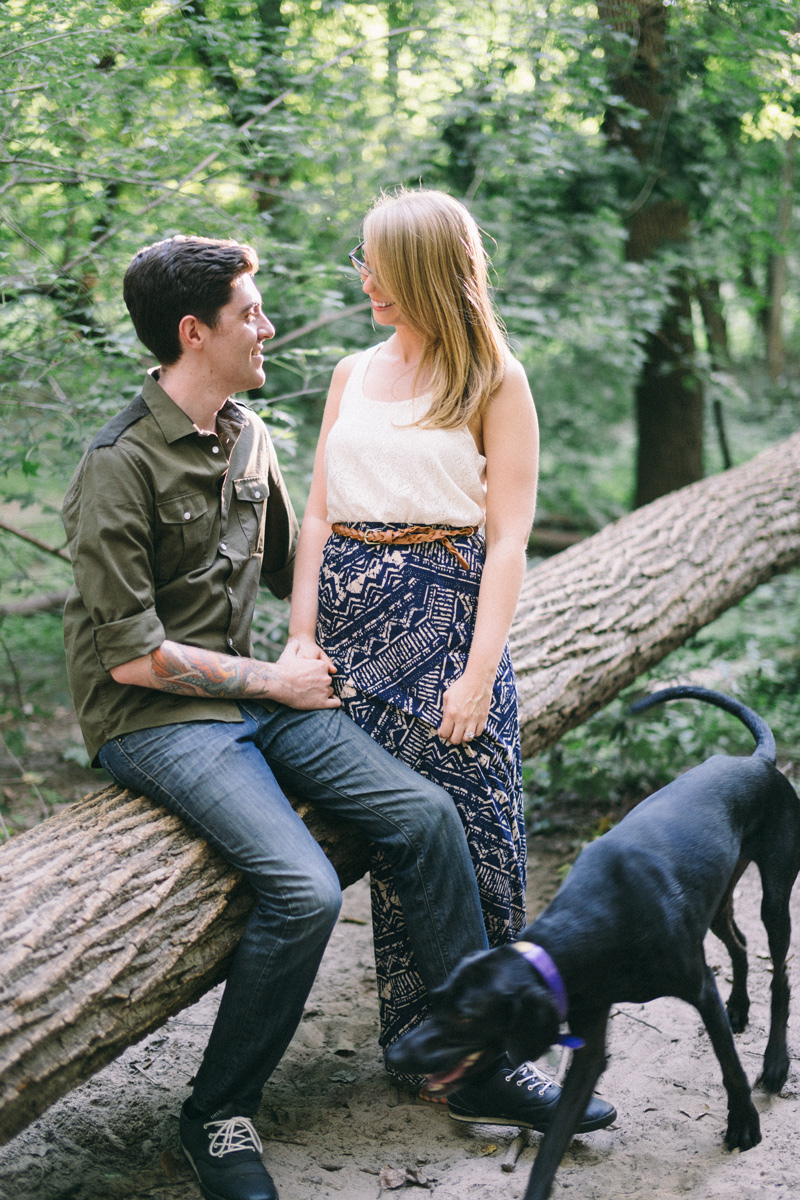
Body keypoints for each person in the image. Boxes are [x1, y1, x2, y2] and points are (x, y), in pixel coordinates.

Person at [62, 234, 612, 1200]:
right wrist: (278, 680)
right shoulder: (116, 464)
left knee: (425, 818)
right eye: (251, 314)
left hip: (260, 694)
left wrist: (405, 612)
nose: (269, 326)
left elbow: (304, 551)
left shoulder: (247, 434)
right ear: (196, 333)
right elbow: (130, 658)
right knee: (305, 890)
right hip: (156, 719)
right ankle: (218, 1114)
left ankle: (464, 1055)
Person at [288, 190, 615, 1129]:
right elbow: (316, 514)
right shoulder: (351, 372)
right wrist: (302, 635)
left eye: (377, 265)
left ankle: (497, 1059)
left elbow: (508, 540)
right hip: (347, 643)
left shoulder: (496, 378)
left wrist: (477, 675)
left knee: (482, 847)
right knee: (400, 849)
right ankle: (419, 1047)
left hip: (446, 636)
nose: (364, 280)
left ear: (424, 271)